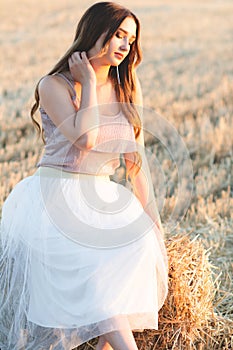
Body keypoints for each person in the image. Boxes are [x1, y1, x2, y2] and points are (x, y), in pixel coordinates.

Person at [0, 2, 168, 349]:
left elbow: (135, 162)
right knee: (98, 290)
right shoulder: (53, 85)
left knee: (111, 291)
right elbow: (85, 138)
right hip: (55, 199)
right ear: (94, 31)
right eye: (119, 35)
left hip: (104, 198)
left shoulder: (127, 89)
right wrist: (89, 83)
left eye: (131, 40)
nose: (125, 45)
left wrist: (153, 221)